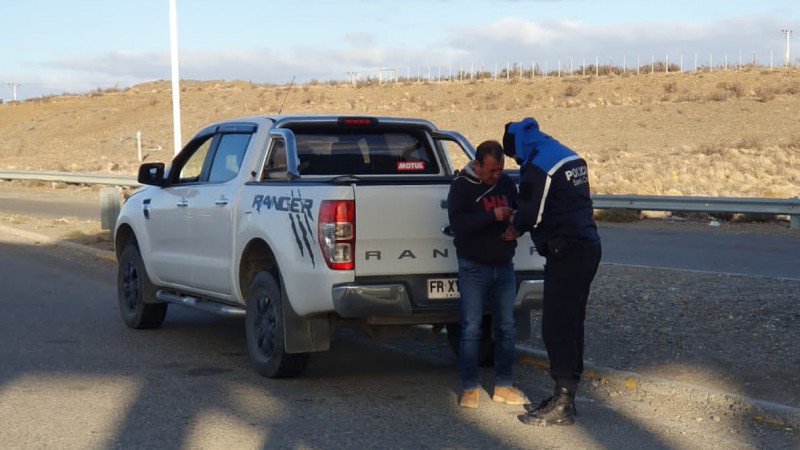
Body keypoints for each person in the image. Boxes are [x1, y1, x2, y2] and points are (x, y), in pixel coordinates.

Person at [502, 117, 602, 426]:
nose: (515, 160)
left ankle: (562, 403)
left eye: (513, 156)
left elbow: (531, 213)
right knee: (572, 324)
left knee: (557, 326)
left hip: (568, 252)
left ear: (517, 146)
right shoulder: (565, 154)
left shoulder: (539, 165)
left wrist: (512, 227)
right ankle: (565, 397)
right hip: (586, 247)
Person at [447, 139, 529, 409]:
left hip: (503, 266)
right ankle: (470, 387)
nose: (497, 175)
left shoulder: (506, 185)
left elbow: (519, 214)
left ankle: (503, 385)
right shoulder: (461, 187)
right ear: (478, 165)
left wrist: (514, 229)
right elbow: (458, 224)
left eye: (501, 169)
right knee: (471, 328)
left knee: (506, 328)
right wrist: (491, 216)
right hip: (473, 267)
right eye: (492, 170)